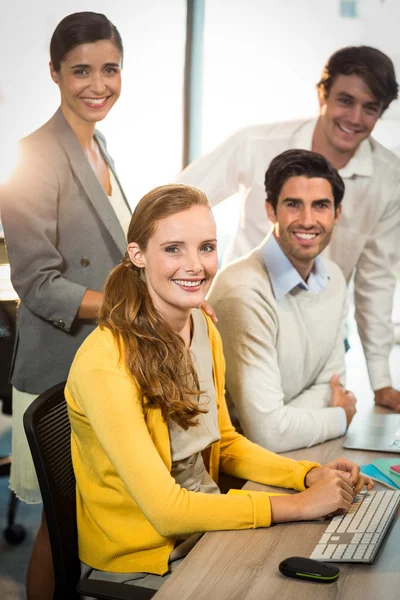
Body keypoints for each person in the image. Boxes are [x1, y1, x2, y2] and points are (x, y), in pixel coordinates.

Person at [65, 183, 372, 590]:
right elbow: (166, 511)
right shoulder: (105, 363)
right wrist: (297, 504)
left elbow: (224, 441)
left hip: (208, 528)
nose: (196, 265)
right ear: (138, 255)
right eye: (174, 248)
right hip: (148, 561)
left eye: (206, 248)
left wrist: (308, 475)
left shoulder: (202, 327)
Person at [178, 46, 400, 411]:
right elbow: (179, 204)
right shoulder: (255, 143)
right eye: (345, 100)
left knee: (317, 432)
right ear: (322, 95)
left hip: (321, 331)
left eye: (370, 108)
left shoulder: (389, 180)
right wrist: (191, 281)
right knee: (245, 423)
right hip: (245, 315)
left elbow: (376, 280)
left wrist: (382, 380)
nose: (355, 117)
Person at [0, 12, 128, 600]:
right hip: (58, 372)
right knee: (58, 529)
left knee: (86, 521)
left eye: (109, 69)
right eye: (81, 70)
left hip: (98, 365)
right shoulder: (33, 157)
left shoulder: (99, 144)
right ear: (53, 73)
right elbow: (37, 282)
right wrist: (133, 309)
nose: (97, 84)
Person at [208, 149, 356, 452]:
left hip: (299, 452)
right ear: (270, 211)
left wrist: (286, 418)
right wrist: (339, 417)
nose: (307, 220)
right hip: (236, 472)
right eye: (293, 205)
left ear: (336, 214)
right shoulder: (243, 291)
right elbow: (267, 434)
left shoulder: (335, 279)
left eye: (320, 206)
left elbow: (332, 386)